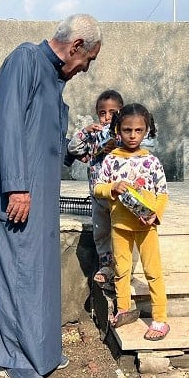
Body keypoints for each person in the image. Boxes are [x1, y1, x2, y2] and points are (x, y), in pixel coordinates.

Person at [0, 14, 102, 378]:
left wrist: (73, 151)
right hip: (18, 194)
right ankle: (12, 357)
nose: (85, 69)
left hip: (39, 194)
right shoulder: (24, 60)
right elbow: (7, 125)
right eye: (87, 60)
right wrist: (16, 187)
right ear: (76, 46)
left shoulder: (52, 78)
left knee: (37, 269)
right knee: (16, 270)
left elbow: (43, 140)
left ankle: (39, 348)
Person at [93, 103, 171, 341]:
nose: (133, 135)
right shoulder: (111, 160)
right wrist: (112, 188)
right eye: (127, 130)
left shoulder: (152, 162)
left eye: (138, 130)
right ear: (118, 130)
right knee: (121, 270)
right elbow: (98, 188)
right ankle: (124, 309)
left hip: (146, 226)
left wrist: (155, 214)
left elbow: (163, 193)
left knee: (152, 271)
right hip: (119, 226)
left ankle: (160, 318)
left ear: (146, 130)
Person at [67, 90, 124, 291]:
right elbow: (74, 148)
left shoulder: (123, 133)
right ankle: (106, 266)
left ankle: (121, 268)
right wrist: (85, 131)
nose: (107, 117)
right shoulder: (93, 135)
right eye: (102, 113)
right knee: (101, 232)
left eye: (112, 112)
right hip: (97, 194)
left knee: (119, 231)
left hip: (117, 195)